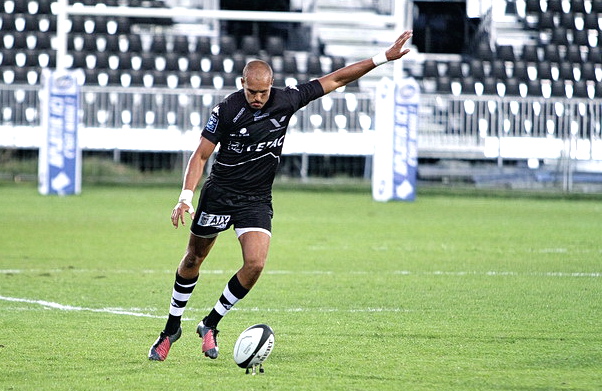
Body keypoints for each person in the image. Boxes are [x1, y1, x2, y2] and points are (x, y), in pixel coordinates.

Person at [148, 30, 413, 361]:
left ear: (270, 86)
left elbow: (337, 78)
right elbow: (201, 155)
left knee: (255, 263)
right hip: (220, 194)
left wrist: (382, 58)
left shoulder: (287, 100)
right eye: (251, 91)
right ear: (242, 84)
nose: (257, 98)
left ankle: (211, 323)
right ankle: (171, 328)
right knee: (193, 259)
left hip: (256, 198)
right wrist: (185, 196)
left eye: (262, 92)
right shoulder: (227, 110)